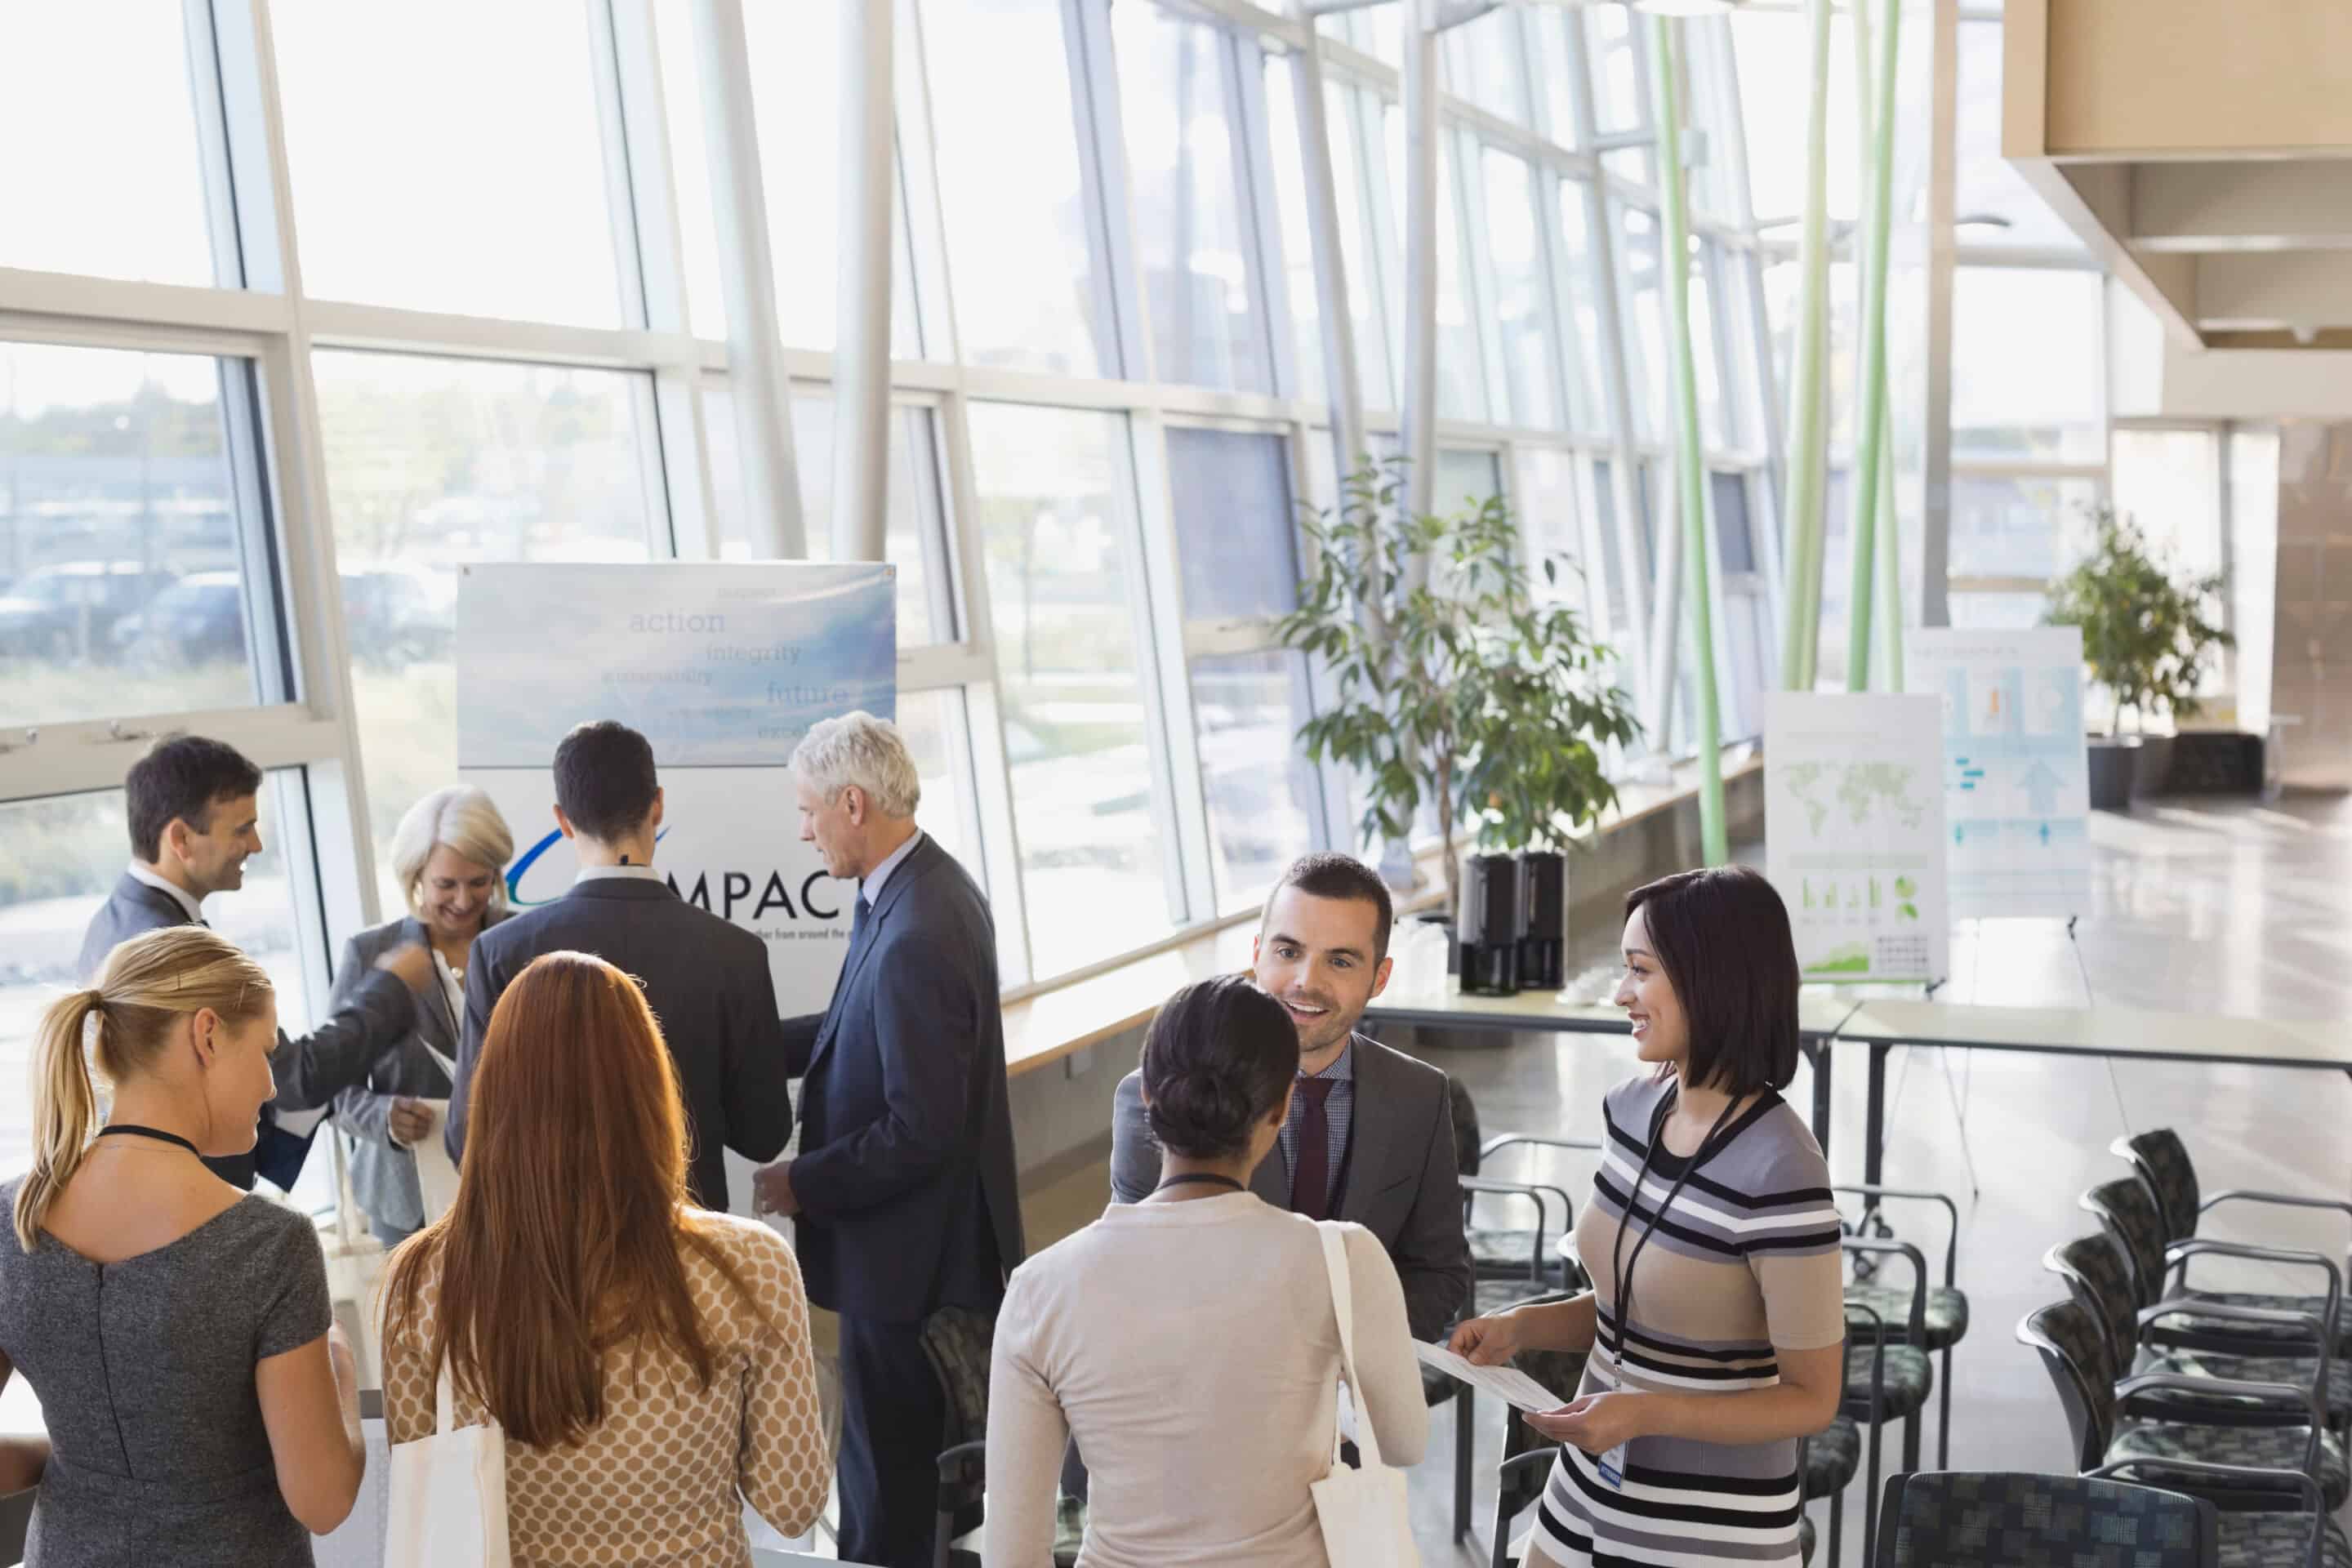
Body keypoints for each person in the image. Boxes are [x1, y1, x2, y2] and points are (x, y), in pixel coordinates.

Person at [1446, 866, 1845, 1567]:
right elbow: (1632, 1311)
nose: (1621, 993)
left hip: (1710, 1521)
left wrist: (1647, 1411)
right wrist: (1525, 1326)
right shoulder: (1632, 1110)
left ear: (1709, 979)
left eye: (1639, 971)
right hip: (1590, 1480)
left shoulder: (1783, 1167)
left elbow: (1812, 1398)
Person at [382, 951, 828, 1566]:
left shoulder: (419, 1279)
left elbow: (425, 1496)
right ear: (649, 1086)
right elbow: (792, 1501)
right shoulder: (749, 1265)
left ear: (494, 1092)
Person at [984, 975, 1427, 1567]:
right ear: (1281, 1108)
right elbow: (1403, 1441)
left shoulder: (1040, 1288)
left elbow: (1012, 1554)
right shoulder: (1342, 1259)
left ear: (1147, 1097)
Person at [0, 926, 367, 1566]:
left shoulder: (13, 1219)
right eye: (264, 1051)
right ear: (206, 1036)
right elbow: (324, 1499)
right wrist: (340, 1367)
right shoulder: (267, 1244)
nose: (272, 1086)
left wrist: (79, 1465)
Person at [751, 711, 1022, 1568]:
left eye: (808, 811)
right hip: (911, 1260)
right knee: (894, 1490)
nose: (803, 831)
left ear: (854, 802)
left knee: (889, 1506)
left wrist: (804, 1183)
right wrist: (731, 1041)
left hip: (912, 1272)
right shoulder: (912, 891)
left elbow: (922, 1129)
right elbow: (847, 1028)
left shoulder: (919, 931)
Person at [1107, 853, 1471, 1339]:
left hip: (1358, 1384)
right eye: (1287, 952)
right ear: (1257, 955)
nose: (1306, 981)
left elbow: (1439, 1271)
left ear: (1380, 978)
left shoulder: (1420, 1096)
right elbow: (1136, 1271)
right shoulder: (1155, 1097)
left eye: (1339, 961)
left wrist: (1345, 1355)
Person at [446, 720, 794, 1210]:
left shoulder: (501, 953)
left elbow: (467, 1141)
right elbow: (763, 1135)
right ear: (657, 806)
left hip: (553, 1254)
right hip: (688, 1252)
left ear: (563, 821)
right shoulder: (735, 953)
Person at [77, 733, 431, 1190]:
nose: (257, 845)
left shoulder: (112, 919)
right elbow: (292, 1078)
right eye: (241, 829)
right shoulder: (170, 947)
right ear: (181, 838)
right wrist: (390, 986)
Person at [331, 785, 514, 1249]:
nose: (463, 900)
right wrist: (384, 1118)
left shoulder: (523, 942)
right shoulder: (370, 952)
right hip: (407, 1194)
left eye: (479, 882)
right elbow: (332, 1086)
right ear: (416, 877)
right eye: (445, 885)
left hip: (513, 1182)